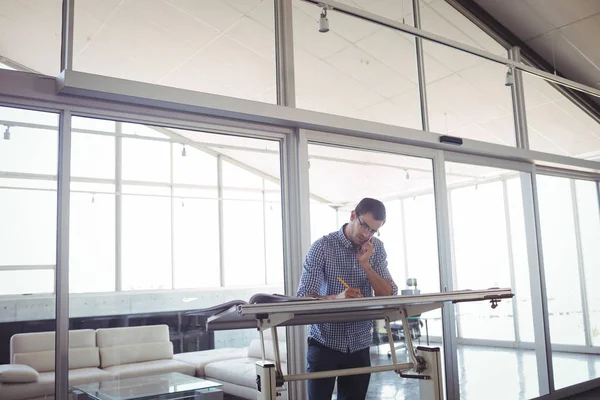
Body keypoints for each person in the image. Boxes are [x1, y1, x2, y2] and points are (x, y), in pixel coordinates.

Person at [296, 197, 398, 400]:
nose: (366, 234)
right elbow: (304, 297)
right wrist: (337, 297)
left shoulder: (375, 248)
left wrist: (366, 265)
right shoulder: (322, 247)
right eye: (364, 226)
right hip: (325, 342)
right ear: (352, 215)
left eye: (373, 231)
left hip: (360, 343)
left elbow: (389, 295)